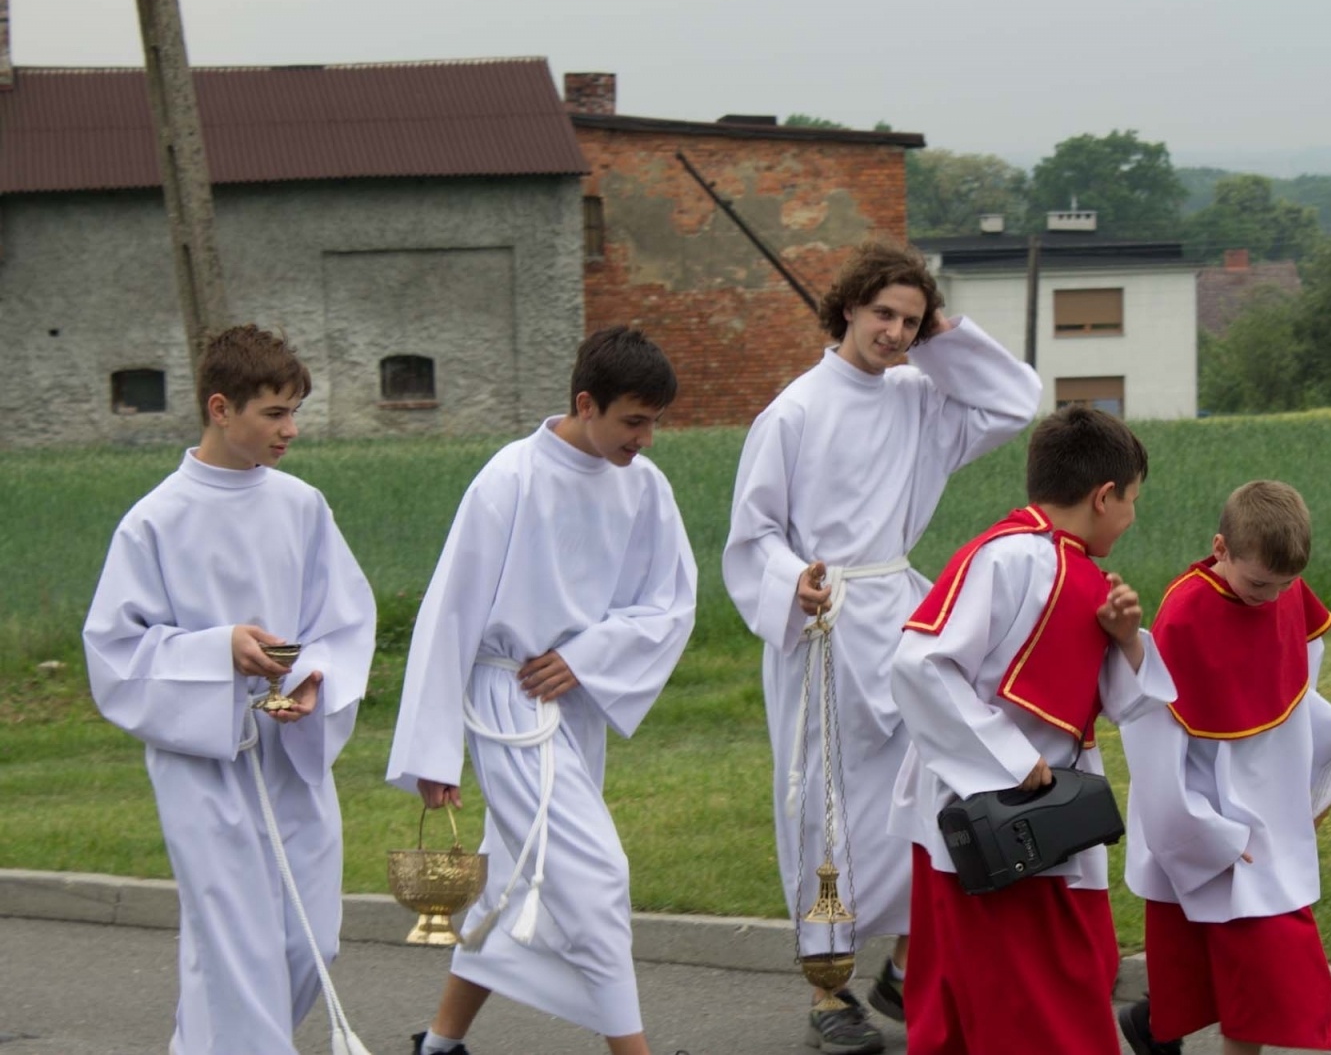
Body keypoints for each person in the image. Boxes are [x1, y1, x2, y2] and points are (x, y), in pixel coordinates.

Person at [722, 238, 1041, 1054]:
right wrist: (793, 580)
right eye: (883, 315)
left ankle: (906, 963)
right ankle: (829, 992)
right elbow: (751, 535)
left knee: (927, 789)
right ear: (847, 311)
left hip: (901, 614)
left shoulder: (916, 398)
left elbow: (1014, 400)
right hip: (822, 628)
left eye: (910, 320)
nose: (895, 333)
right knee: (826, 808)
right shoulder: (791, 411)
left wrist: (946, 335)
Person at [388, 327, 698, 1055]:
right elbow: (450, 612)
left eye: (655, 421)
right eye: (633, 420)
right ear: (585, 403)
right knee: (594, 873)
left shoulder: (645, 485)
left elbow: (671, 602)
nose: (646, 439)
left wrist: (589, 655)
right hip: (509, 703)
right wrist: (434, 750)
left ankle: (439, 1045)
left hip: (575, 707)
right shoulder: (511, 478)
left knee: (516, 877)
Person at [83, 324, 378, 1054]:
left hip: (289, 751)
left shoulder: (302, 506)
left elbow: (339, 621)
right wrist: (221, 650)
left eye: (294, 410)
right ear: (221, 408)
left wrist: (309, 678)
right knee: (235, 956)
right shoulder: (156, 521)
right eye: (274, 413)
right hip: (203, 767)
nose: (292, 429)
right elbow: (115, 655)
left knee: (312, 943)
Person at [886, 405, 1176, 1054]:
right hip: (1001, 821)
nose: (1131, 517)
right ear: (1104, 496)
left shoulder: (1078, 570)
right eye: (1132, 500)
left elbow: (1118, 702)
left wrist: (1125, 639)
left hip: (1045, 821)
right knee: (1036, 1004)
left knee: (1025, 992)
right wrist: (1007, 760)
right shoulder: (1008, 558)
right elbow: (918, 663)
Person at [1118, 480, 1331, 1055]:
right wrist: (1202, 831)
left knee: (1247, 982)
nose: (1271, 596)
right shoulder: (1185, 615)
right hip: (1217, 817)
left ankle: (1156, 1028)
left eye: (1285, 585)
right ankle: (1160, 1026)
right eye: (1259, 582)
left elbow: (1285, 689)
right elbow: (1154, 737)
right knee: (1257, 986)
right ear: (1221, 548)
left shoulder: (1280, 590)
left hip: (1268, 808)